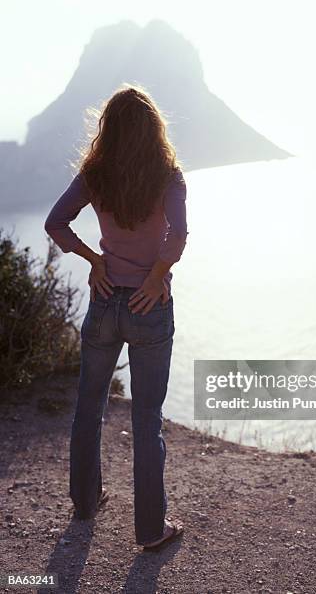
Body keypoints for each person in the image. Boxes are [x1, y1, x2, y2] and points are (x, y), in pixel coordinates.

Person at [44, 84, 188, 550]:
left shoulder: (95, 174)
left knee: (89, 406)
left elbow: (55, 222)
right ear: (153, 130)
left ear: (108, 128)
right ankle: (150, 531)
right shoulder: (168, 174)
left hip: (105, 301)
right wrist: (155, 276)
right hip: (150, 306)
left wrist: (93, 259)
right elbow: (178, 235)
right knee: (147, 419)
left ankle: (85, 504)